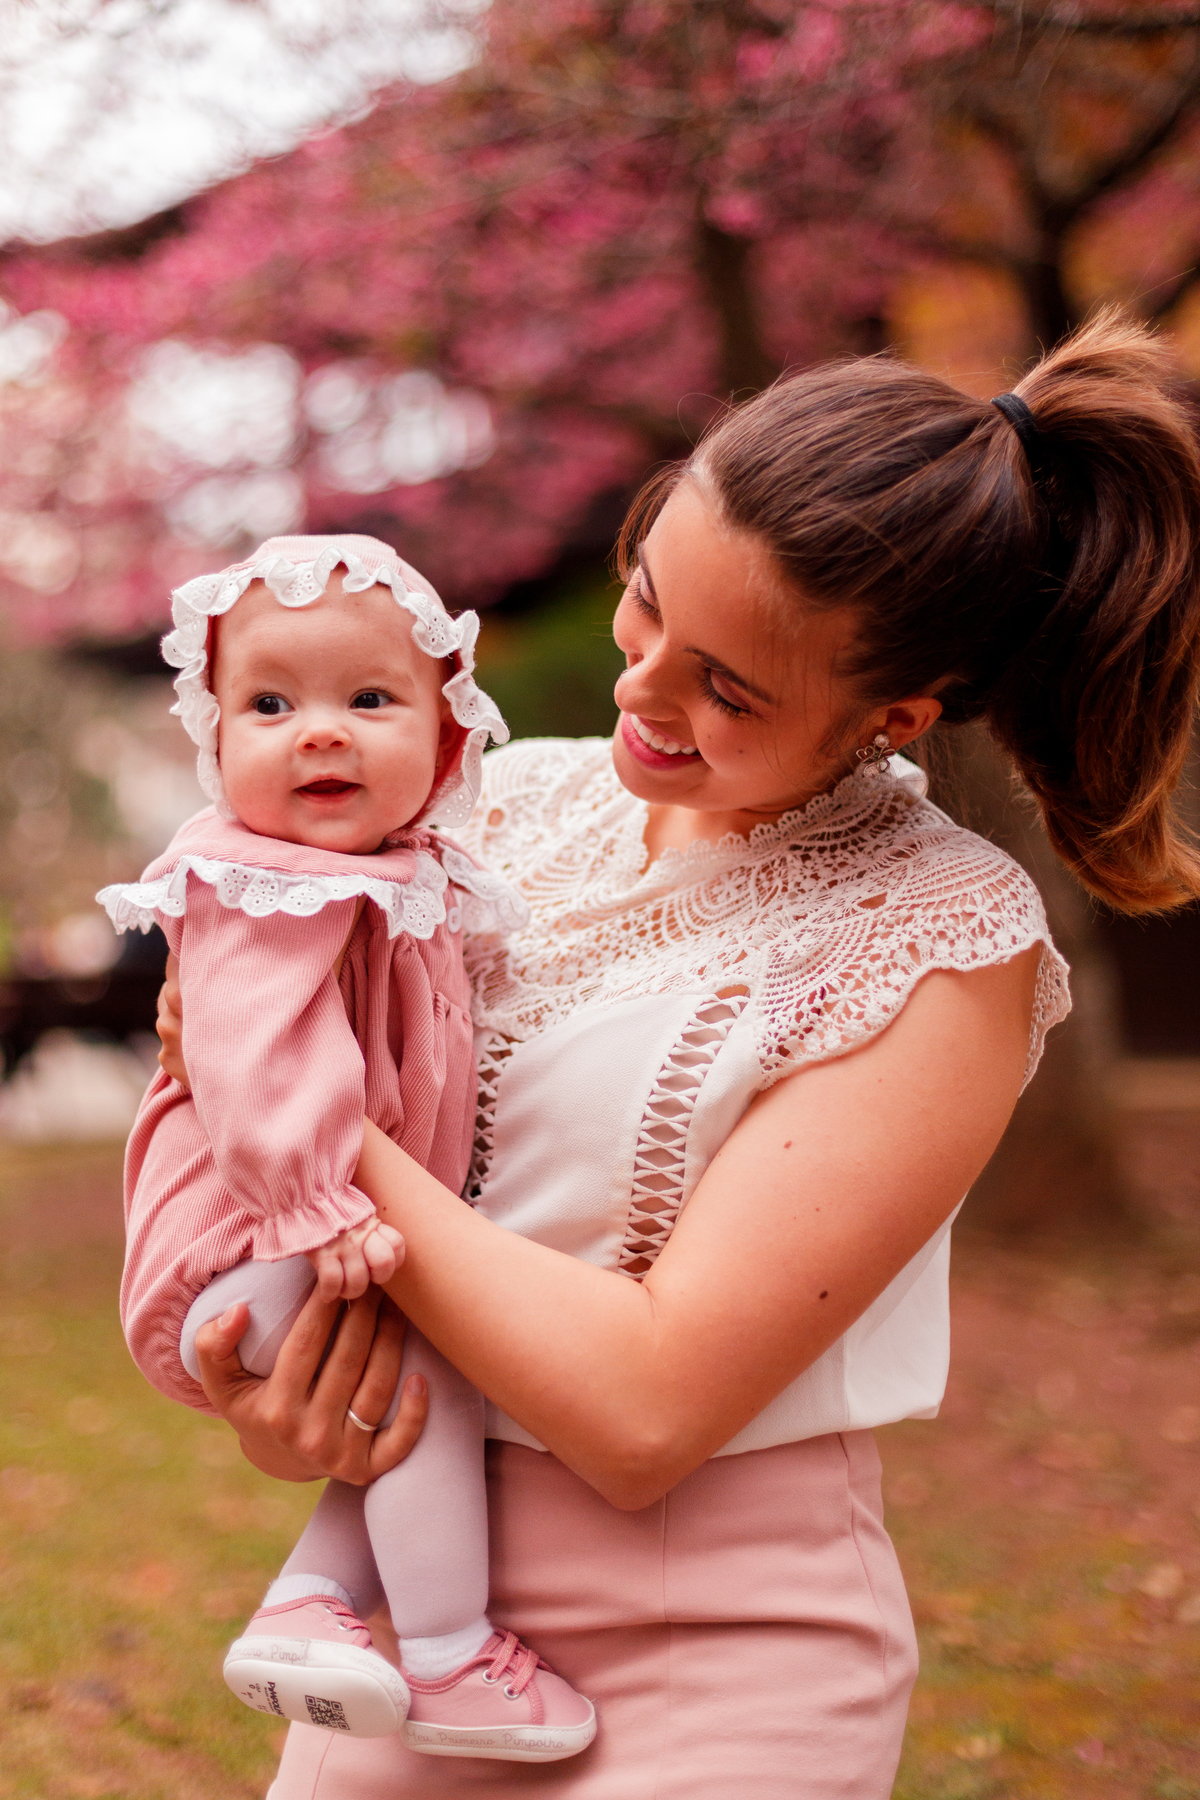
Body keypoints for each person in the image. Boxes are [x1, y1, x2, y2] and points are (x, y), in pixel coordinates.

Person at [163, 315, 1200, 1798]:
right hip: (403, 1621)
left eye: (731, 689)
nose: (641, 694)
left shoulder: (944, 937)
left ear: (893, 716)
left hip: (718, 1656)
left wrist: (288, 1098)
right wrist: (304, 1409)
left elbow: (648, 1411)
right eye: (648, 608)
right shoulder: (494, 809)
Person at [99, 534, 596, 1761]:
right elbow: (272, 1069)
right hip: (251, 1226)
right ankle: (446, 1655)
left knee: (397, 1391)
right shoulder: (260, 884)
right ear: (216, 739)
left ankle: (310, 1606)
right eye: (269, 704)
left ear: (445, 739)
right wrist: (319, 1206)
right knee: (430, 1372)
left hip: (307, 1217)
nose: (318, 732)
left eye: (368, 699)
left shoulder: (406, 875)